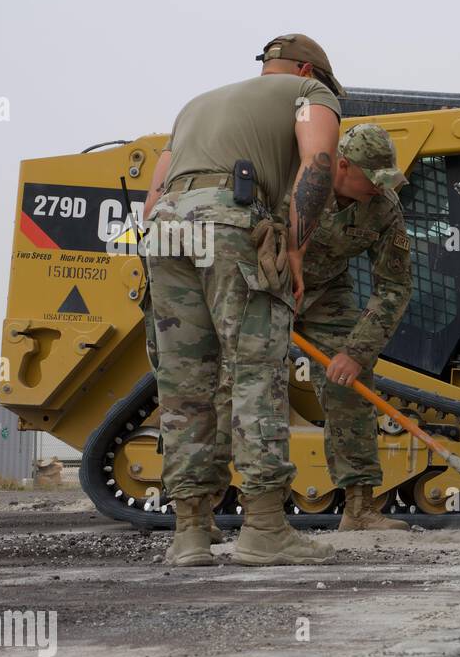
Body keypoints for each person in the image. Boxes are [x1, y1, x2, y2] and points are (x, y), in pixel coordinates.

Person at [142, 34, 343, 566]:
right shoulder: (309, 92)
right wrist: (295, 246)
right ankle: (264, 529)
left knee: (185, 387)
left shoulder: (194, 106)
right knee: (256, 374)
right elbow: (319, 160)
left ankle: (190, 532)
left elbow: (154, 195)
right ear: (306, 68)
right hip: (232, 222)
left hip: (165, 232)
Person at [296, 124, 415, 530]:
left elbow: (395, 285)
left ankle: (360, 509)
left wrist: (354, 351)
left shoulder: (383, 207)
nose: (380, 188)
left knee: (350, 386)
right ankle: (199, 510)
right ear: (343, 165)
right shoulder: (297, 179)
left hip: (326, 291)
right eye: (373, 179)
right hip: (266, 286)